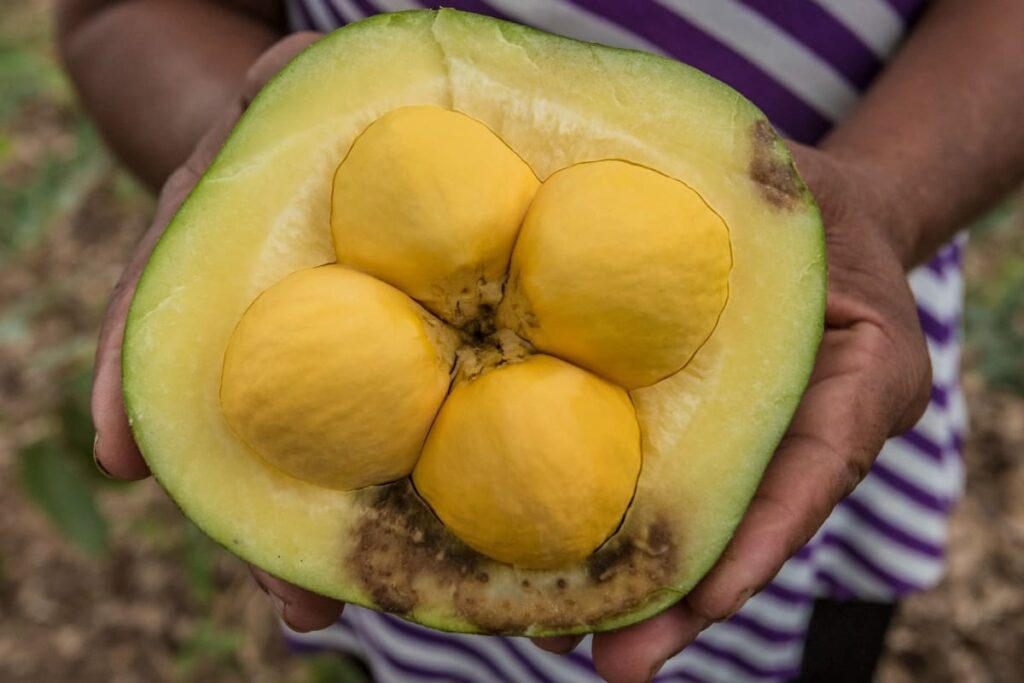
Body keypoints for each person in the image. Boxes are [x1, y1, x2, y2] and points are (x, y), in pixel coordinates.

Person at [58, 1, 1024, 681]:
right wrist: (264, 156)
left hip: (829, 350)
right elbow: (117, 11)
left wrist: (894, 198)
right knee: (398, 656)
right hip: (368, 413)